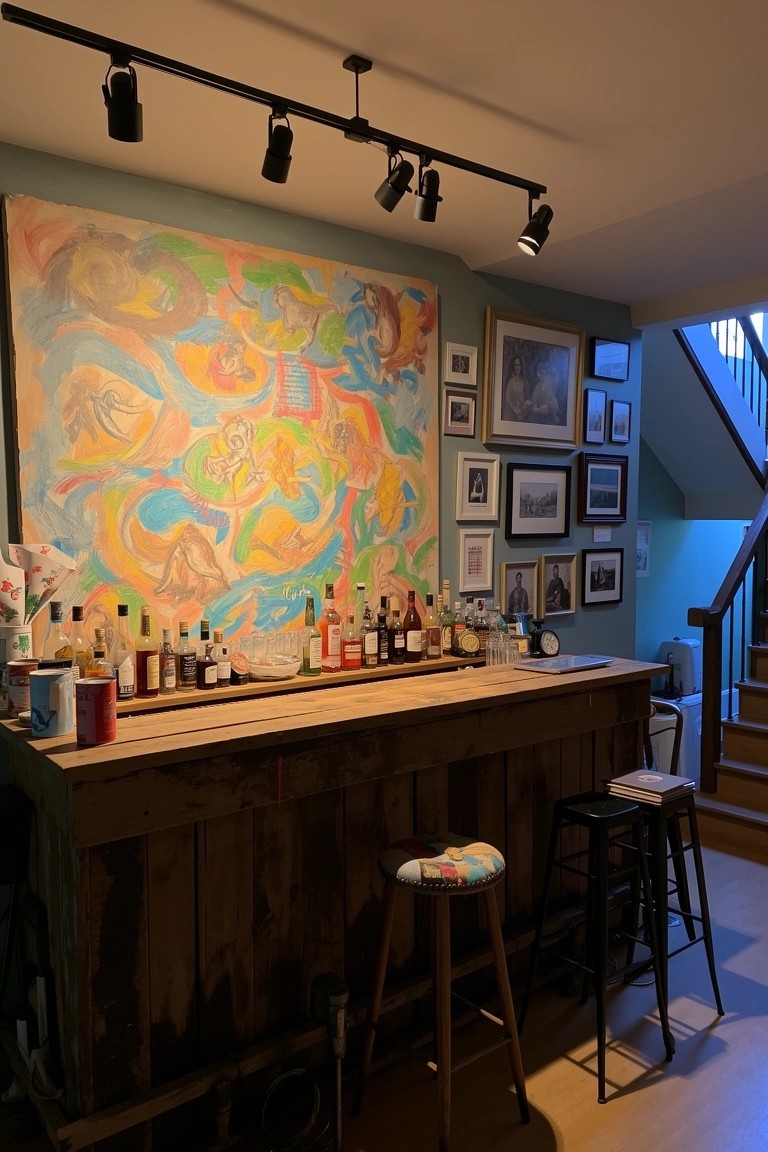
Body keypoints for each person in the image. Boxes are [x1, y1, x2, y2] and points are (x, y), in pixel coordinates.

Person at [524, 359, 562, 425]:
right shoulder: (537, 387)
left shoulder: (549, 382)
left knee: (545, 409)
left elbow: (550, 401)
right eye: (538, 372)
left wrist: (538, 409)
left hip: (549, 410)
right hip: (539, 410)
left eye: (542, 372)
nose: (540, 374)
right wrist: (531, 404)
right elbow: (534, 401)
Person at [501, 355, 527, 421]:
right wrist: (516, 409)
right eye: (515, 365)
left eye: (518, 365)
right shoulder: (510, 382)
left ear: (521, 366)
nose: (517, 367)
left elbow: (527, 398)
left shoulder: (525, 382)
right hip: (512, 414)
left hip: (523, 414)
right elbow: (509, 399)